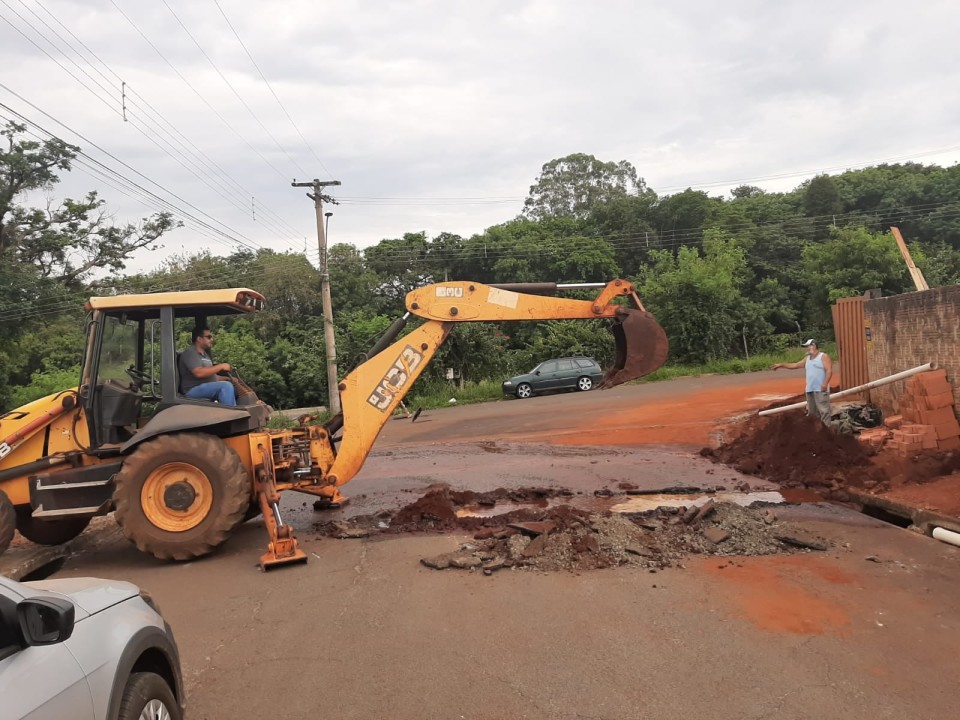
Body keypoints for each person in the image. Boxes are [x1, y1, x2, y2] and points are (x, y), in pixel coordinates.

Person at [772, 339, 833, 424]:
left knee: (824, 411)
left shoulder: (823, 356)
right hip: (810, 389)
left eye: (808, 346)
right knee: (812, 413)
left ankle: (827, 431)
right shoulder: (807, 359)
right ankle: (816, 431)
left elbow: (829, 370)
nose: (806, 349)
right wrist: (781, 365)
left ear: (814, 346)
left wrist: (825, 383)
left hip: (821, 389)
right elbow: (795, 365)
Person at [178, 326, 236, 406]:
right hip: (192, 390)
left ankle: (241, 414)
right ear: (199, 339)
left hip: (205, 387)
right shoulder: (190, 353)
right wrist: (220, 366)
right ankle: (232, 415)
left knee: (232, 385)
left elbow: (211, 376)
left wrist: (228, 379)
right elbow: (199, 373)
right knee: (225, 386)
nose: (211, 340)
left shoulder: (205, 356)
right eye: (208, 337)